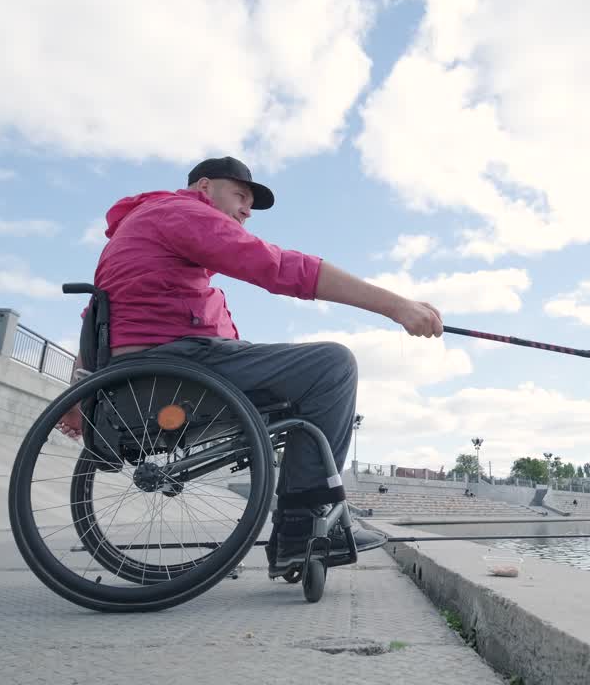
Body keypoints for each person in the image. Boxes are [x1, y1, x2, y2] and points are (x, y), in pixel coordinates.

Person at [54, 156, 443, 577]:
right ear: (204, 187)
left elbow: (97, 319)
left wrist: (81, 393)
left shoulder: (142, 228)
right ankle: (301, 529)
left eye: (250, 204)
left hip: (140, 378)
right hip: (173, 369)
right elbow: (277, 267)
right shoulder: (180, 212)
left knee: (297, 383)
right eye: (240, 195)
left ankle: (302, 521)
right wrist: (396, 306)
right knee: (332, 365)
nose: (246, 210)